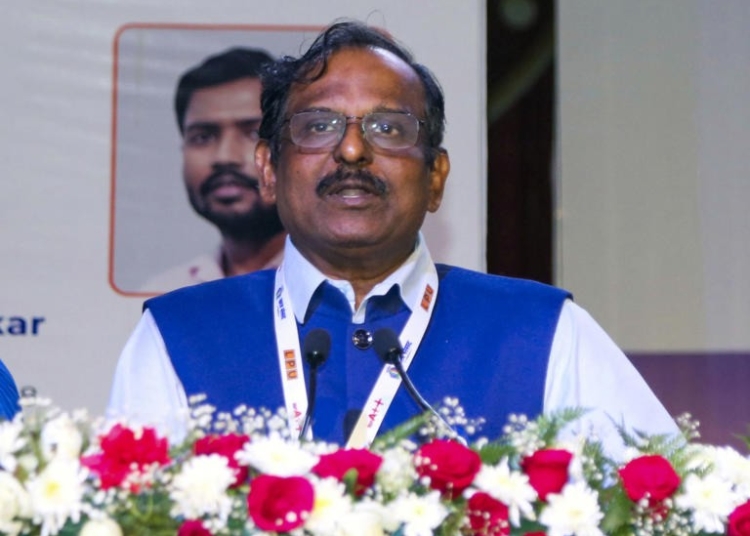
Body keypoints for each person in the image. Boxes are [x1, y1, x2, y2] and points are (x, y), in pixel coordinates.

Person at [109, 21, 677, 457]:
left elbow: (669, 507)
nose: (353, 150)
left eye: (389, 128)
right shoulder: (180, 336)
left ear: (436, 177)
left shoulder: (542, 331)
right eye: (318, 126)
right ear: (269, 170)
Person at [140, 47, 286, 293]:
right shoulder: (167, 293)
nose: (224, 157)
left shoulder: (340, 286)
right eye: (203, 137)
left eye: (253, 134)